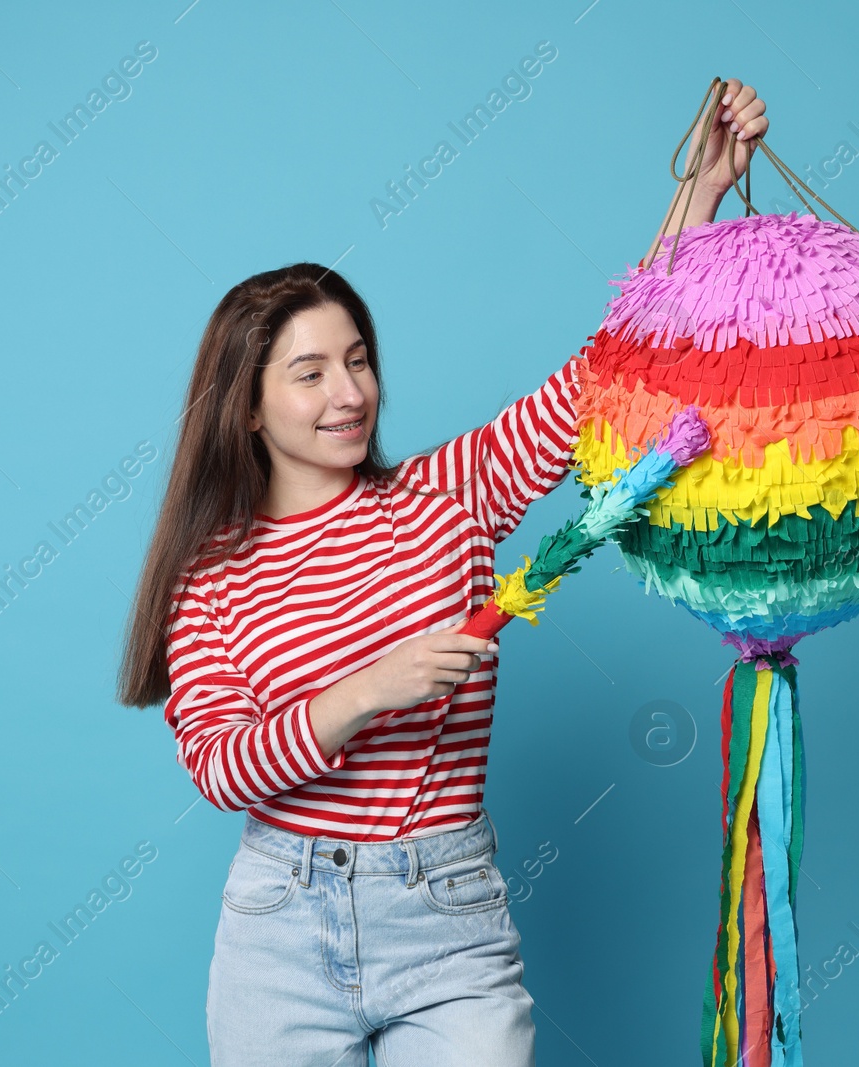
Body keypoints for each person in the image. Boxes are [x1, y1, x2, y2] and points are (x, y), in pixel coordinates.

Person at [117, 78, 769, 1067]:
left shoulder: (448, 492)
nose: (350, 392)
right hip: (278, 927)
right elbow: (219, 764)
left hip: (447, 914)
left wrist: (702, 195)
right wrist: (369, 688)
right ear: (246, 406)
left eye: (360, 358)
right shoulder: (210, 576)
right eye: (310, 372)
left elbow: (604, 367)